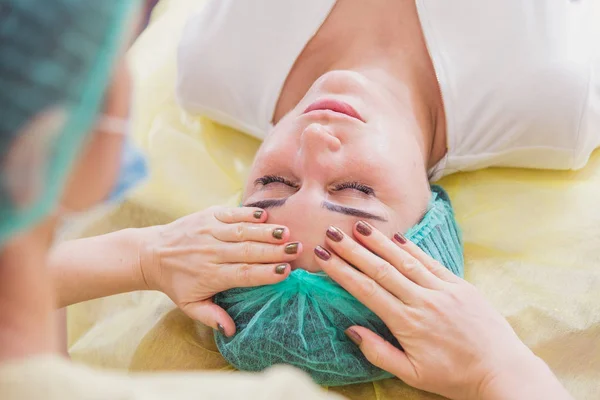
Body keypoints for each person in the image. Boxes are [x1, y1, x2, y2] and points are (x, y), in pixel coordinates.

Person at [0, 1, 583, 399]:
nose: (312, 140)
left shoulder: (215, 68)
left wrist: (145, 256)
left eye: (271, 187)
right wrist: (500, 370)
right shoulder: (556, 101)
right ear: (432, 216)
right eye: (355, 192)